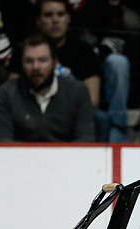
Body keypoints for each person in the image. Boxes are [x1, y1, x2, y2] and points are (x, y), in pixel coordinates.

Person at [35, 0, 128, 142]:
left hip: (74, 114)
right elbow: (14, 96)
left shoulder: (83, 50)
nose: (55, 20)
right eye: (48, 15)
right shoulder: (28, 52)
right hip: (35, 113)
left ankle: (118, 131)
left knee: (100, 118)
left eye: (60, 14)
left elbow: (92, 101)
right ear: (38, 20)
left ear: (69, 18)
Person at [0, 34, 94, 142]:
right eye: (29, 61)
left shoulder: (77, 91)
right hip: (20, 157)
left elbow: (85, 141)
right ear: (21, 64)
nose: (36, 67)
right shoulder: (7, 93)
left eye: (42, 60)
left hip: (65, 157)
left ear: (55, 63)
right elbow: (1, 142)